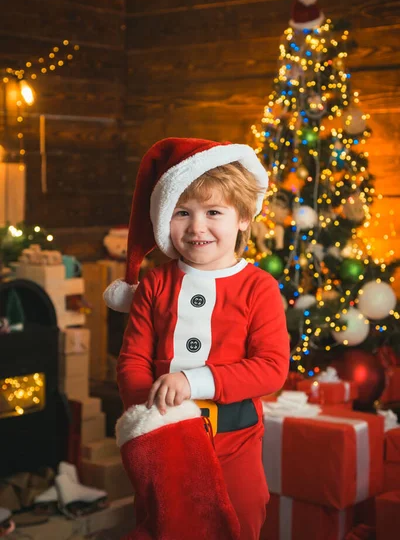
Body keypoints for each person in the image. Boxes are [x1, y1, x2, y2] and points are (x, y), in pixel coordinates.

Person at [104, 137, 290, 540]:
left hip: (234, 445)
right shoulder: (155, 284)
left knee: (236, 524)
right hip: (164, 443)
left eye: (214, 212)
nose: (197, 227)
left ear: (242, 217)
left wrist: (192, 382)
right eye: (182, 212)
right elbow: (132, 361)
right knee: (163, 525)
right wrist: (150, 419)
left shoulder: (259, 288)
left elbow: (271, 368)